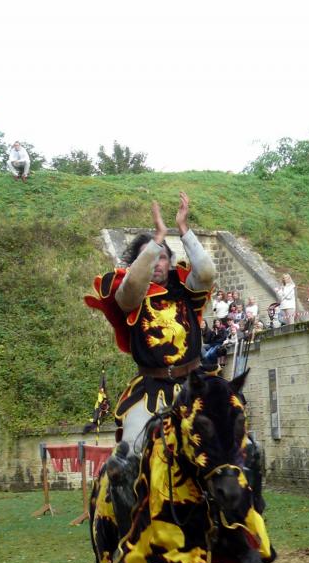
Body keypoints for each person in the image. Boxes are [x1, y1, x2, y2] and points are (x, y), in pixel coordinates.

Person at [85, 193, 215, 460]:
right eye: (150, 257)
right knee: (131, 451)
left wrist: (183, 229)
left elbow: (206, 273)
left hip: (194, 383)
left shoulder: (185, 289)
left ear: (170, 262)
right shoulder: (129, 297)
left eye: (163, 257)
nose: (157, 263)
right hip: (150, 388)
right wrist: (157, 239)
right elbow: (133, 285)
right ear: (138, 264)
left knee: (228, 438)